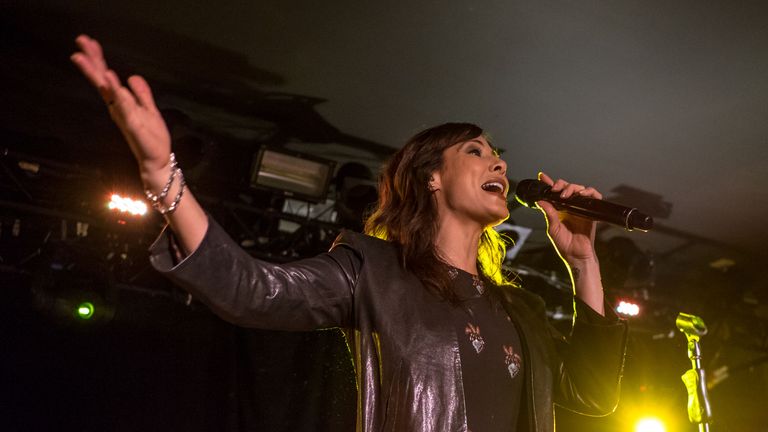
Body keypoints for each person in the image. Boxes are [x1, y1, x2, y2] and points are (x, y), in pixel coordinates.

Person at [71, 34, 627, 432]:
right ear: (430, 178)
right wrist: (160, 174)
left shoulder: (519, 310)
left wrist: (583, 262)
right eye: (476, 151)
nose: (499, 166)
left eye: (500, 157)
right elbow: (249, 288)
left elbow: (596, 397)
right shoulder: (373, 273)